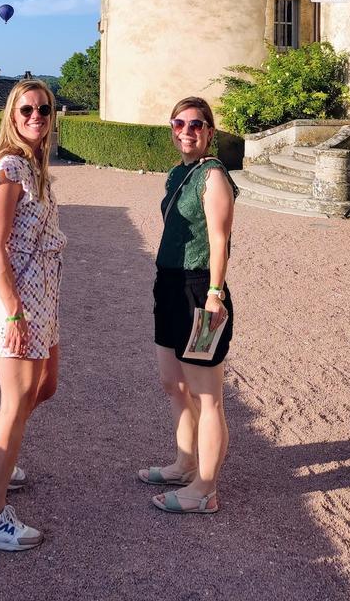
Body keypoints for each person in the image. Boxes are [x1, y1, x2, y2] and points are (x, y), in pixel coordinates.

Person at [0, 78, 66, 551]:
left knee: (44, 386)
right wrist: (14, 314)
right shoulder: (9, 168)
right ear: (12, 114)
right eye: (26, 110)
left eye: (44, 110)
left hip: (40, 290)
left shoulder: (34, 164)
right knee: (17, 400)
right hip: (17, 294)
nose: (36, 117)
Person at [138, 96, 238, 514]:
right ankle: (184, 463)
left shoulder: (214, 176)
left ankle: (206, 489)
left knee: (207, 395)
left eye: (196, 124)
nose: (187, 131)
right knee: (173, 383)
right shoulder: (178, 172)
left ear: (210, 131)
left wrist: (215, 293)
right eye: (179, 123)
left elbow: (219, 240)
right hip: (169, 286)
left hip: (200, 290)